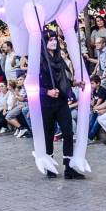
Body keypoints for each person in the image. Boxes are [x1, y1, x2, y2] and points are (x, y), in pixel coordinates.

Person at [38, 29, 85, 180]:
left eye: (54, 39)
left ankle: (69, 167)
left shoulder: (59, 59)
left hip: (61, 101)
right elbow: (32, 85)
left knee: (68, 133)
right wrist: (47, 92)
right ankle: (50, 166)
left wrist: (75, 83)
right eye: (50, 39)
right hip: (46, 104)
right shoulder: (39, 61)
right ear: (44, 42)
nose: (53, 41)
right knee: (48, 135)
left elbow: (64, 79)